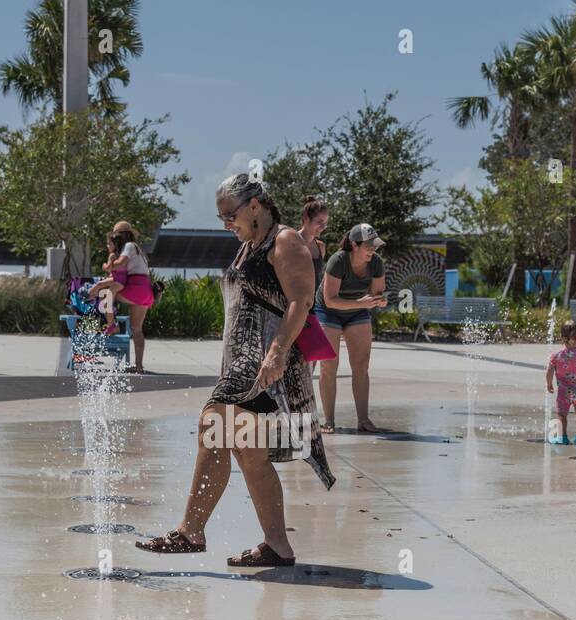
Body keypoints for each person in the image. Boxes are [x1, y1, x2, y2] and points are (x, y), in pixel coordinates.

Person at [135, 172, 333, 566]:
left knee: (213, 425)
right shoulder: (249, 245)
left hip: (265, 365)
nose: (227, 224)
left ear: (255, 205)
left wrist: (276, 353)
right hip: (245, 364)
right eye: (222, 217)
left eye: (231, 215)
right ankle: (278, 546)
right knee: (248, 452)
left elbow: (301, 300)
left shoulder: (285, 241)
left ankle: (191, 532)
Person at [313, 223, 387, 432]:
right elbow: (329, 300)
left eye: (375, 246)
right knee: (328, 366)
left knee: (361, 365)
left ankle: (363, 420)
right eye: (369, 246)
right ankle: (329, 421)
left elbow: (377, 294)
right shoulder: (338, 261)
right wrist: (362, 303)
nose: (373, 250)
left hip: (357, 310)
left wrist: (379, 301)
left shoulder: (376, 263)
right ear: (354, 245)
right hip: (328, 310)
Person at [108, 221, 155, 372]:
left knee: (107, 294)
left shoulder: (128, 246)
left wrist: (109, 263)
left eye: (116, 236)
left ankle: (111, 324)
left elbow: (120, 265)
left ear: (121, 236)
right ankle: (139, 366)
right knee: (137, 330)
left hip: (135, 287)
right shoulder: (138, 249)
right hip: (146, 290)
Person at [546, 319, 576, 445]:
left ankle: (563, 437)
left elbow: (549, 371)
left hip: (564, 392)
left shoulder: (557, 356)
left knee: (562, 415)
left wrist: (549, 384)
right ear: (575, 338)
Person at [87, 233, 127, 336]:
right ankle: (91, 295)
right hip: (118, 280)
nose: (107, 246)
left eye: (109, 244)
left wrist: (104, 266)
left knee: (105, 303)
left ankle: (112, 325)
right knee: (99, 285)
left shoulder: (112, 255)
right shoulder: (121, 254)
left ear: (115, 244)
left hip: (116, 281)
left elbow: (109, 268)